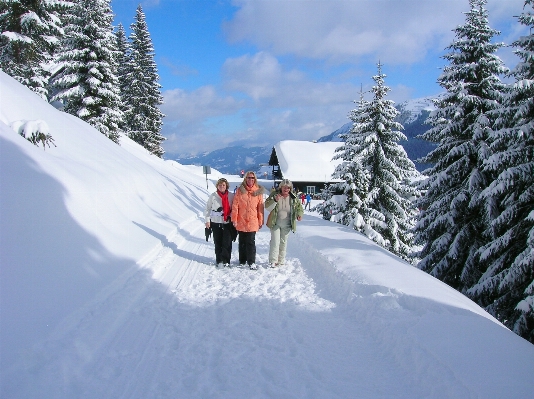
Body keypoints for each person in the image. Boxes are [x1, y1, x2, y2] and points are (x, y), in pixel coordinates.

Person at [265, 179, 303, 268]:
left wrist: (299, 214)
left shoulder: (293, 198)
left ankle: (281, 261)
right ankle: (273, 261)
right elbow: (267, 206)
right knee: (275, 241)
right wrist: (274, 200)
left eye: (288, 188)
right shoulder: (275, 195)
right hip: (275, 223)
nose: (286, 189)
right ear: (281, 187)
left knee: (283, 242)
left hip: (287, 223)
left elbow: (299, 208)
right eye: (284, 187)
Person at [231, 171, 266, 270]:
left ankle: (251, 262)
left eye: (252, 178)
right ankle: (242, 260)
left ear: (255, 179)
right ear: (245, 179)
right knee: (242, 241)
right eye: (248, 177)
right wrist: (234, 218)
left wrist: (260, 220)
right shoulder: (240, 190)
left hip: (252, 220)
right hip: (241, 220)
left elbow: (260, 207)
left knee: (250, 241)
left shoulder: (258, 191)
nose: (250, 179)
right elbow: (235, 205)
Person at [204, 178, 234, 267]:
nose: (221, 187)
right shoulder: (213, 196)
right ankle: (219, 260)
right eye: (220, 185)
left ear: (226, 186)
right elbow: (207, 209)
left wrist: (232, 215)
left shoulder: (231, 196)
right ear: (217, 186)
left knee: (227, 242)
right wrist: (207, 220)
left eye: (223, 185)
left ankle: (226, 261)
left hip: (227, 222)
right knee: (218, 242)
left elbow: (235, 208)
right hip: (215, 222)